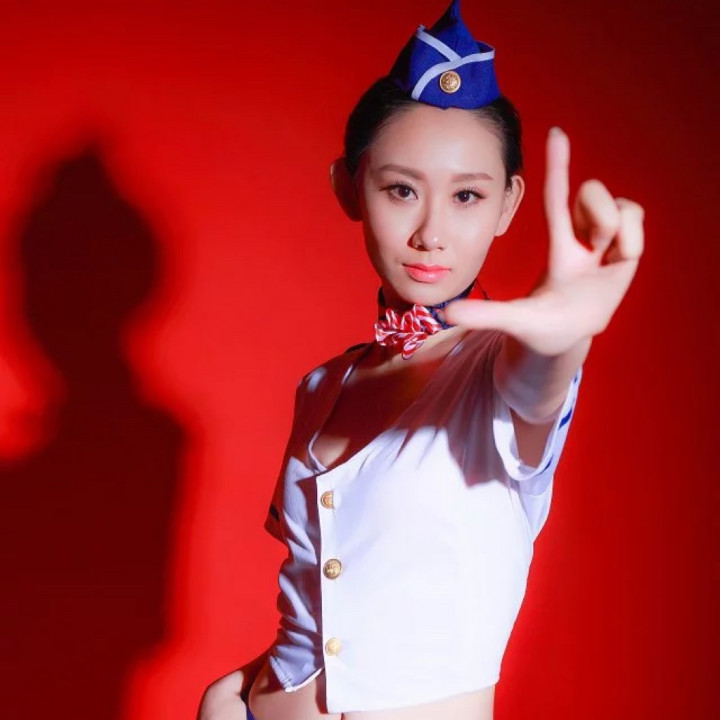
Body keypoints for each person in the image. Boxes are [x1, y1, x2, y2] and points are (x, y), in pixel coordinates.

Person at [197, 2, 644, 719]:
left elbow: (536, 386)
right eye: (402, 189)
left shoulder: (502, 372)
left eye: (467, 195)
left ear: (508, 204)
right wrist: (233, 692)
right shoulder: (323, 384)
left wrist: (566, 337)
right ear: (350, 187)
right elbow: (332, 603)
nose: (431, 232)